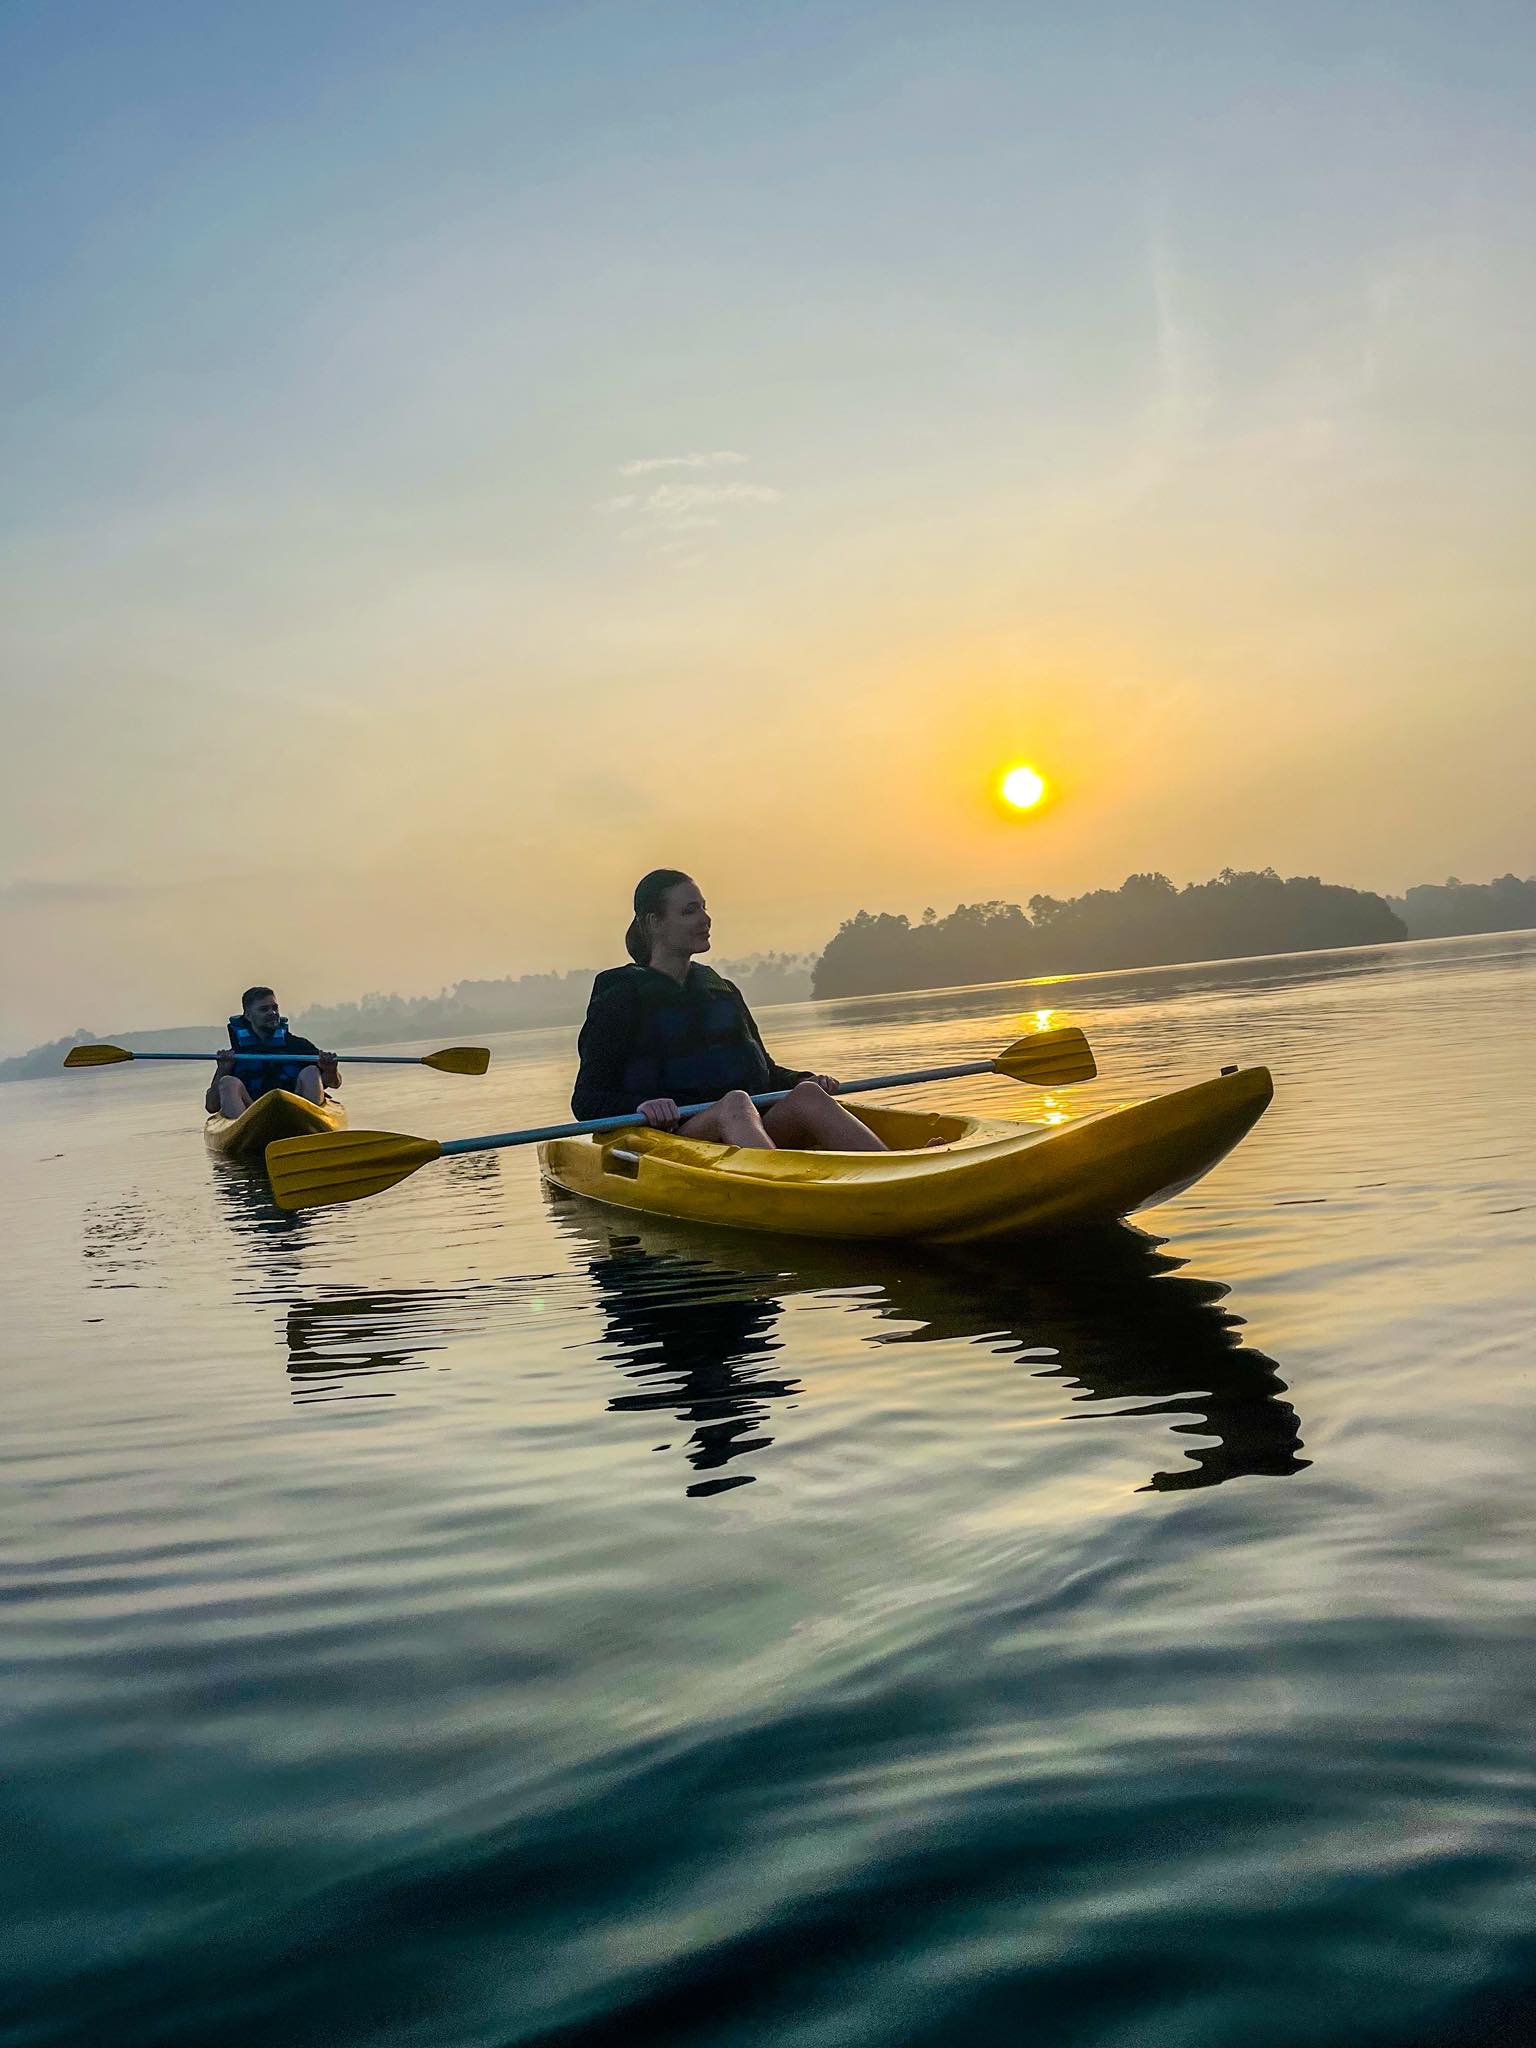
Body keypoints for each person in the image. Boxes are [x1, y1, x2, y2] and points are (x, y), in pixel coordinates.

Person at [572, 871, 887, 1151]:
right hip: (672, 1141)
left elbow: (766, 1075)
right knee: (734, 1103)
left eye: (704, 907)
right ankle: (776, 1183)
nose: (705, 919)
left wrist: (803, 1079)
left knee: (807, 1094)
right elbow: (586, 1101)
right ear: (655, 922)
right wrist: (641, 1105)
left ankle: (894, 1167)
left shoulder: (723, 992)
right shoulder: (620, 999)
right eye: (689, 911)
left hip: (743, 1134)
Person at [205, 986, 340, 1120]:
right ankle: (242, 1130)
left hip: (298, 1114)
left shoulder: (298, 1045)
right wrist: (223, 1070)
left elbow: (335, 1083)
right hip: (254, 1120)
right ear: (248, 1016)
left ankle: (314, 1123)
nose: (272, 1013)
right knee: (228, 1082)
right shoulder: (236, 1054)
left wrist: (330, 1070)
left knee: (311, 1071)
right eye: (264, 1009)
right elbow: (211, 1106)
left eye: (275, 1008)